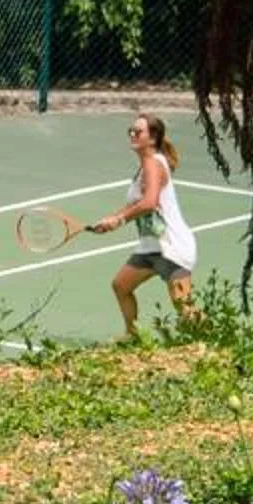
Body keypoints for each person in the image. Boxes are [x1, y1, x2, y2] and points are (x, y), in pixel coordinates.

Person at [86, 111, 196, 338]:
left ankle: (211, 341)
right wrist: (111, 220)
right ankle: (132, 335)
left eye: (139, 131)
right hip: (150, 247)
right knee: (121, 286)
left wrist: (120, 219)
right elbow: (137, 204)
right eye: (131, 131)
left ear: (153, 138)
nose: (133, 134)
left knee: (183, 305)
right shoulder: (144, 166)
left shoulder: (154, 164)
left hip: (171, 247)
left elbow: (149, 202)